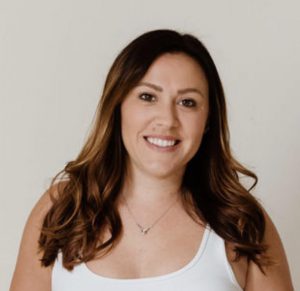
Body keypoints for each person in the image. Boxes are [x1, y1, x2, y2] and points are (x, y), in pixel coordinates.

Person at [10, 29, 294, 291]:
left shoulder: (242, 224)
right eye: (147, 96)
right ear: (118, 106)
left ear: (208, 120)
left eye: (187, 102)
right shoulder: (62, 211)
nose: (167, 120)